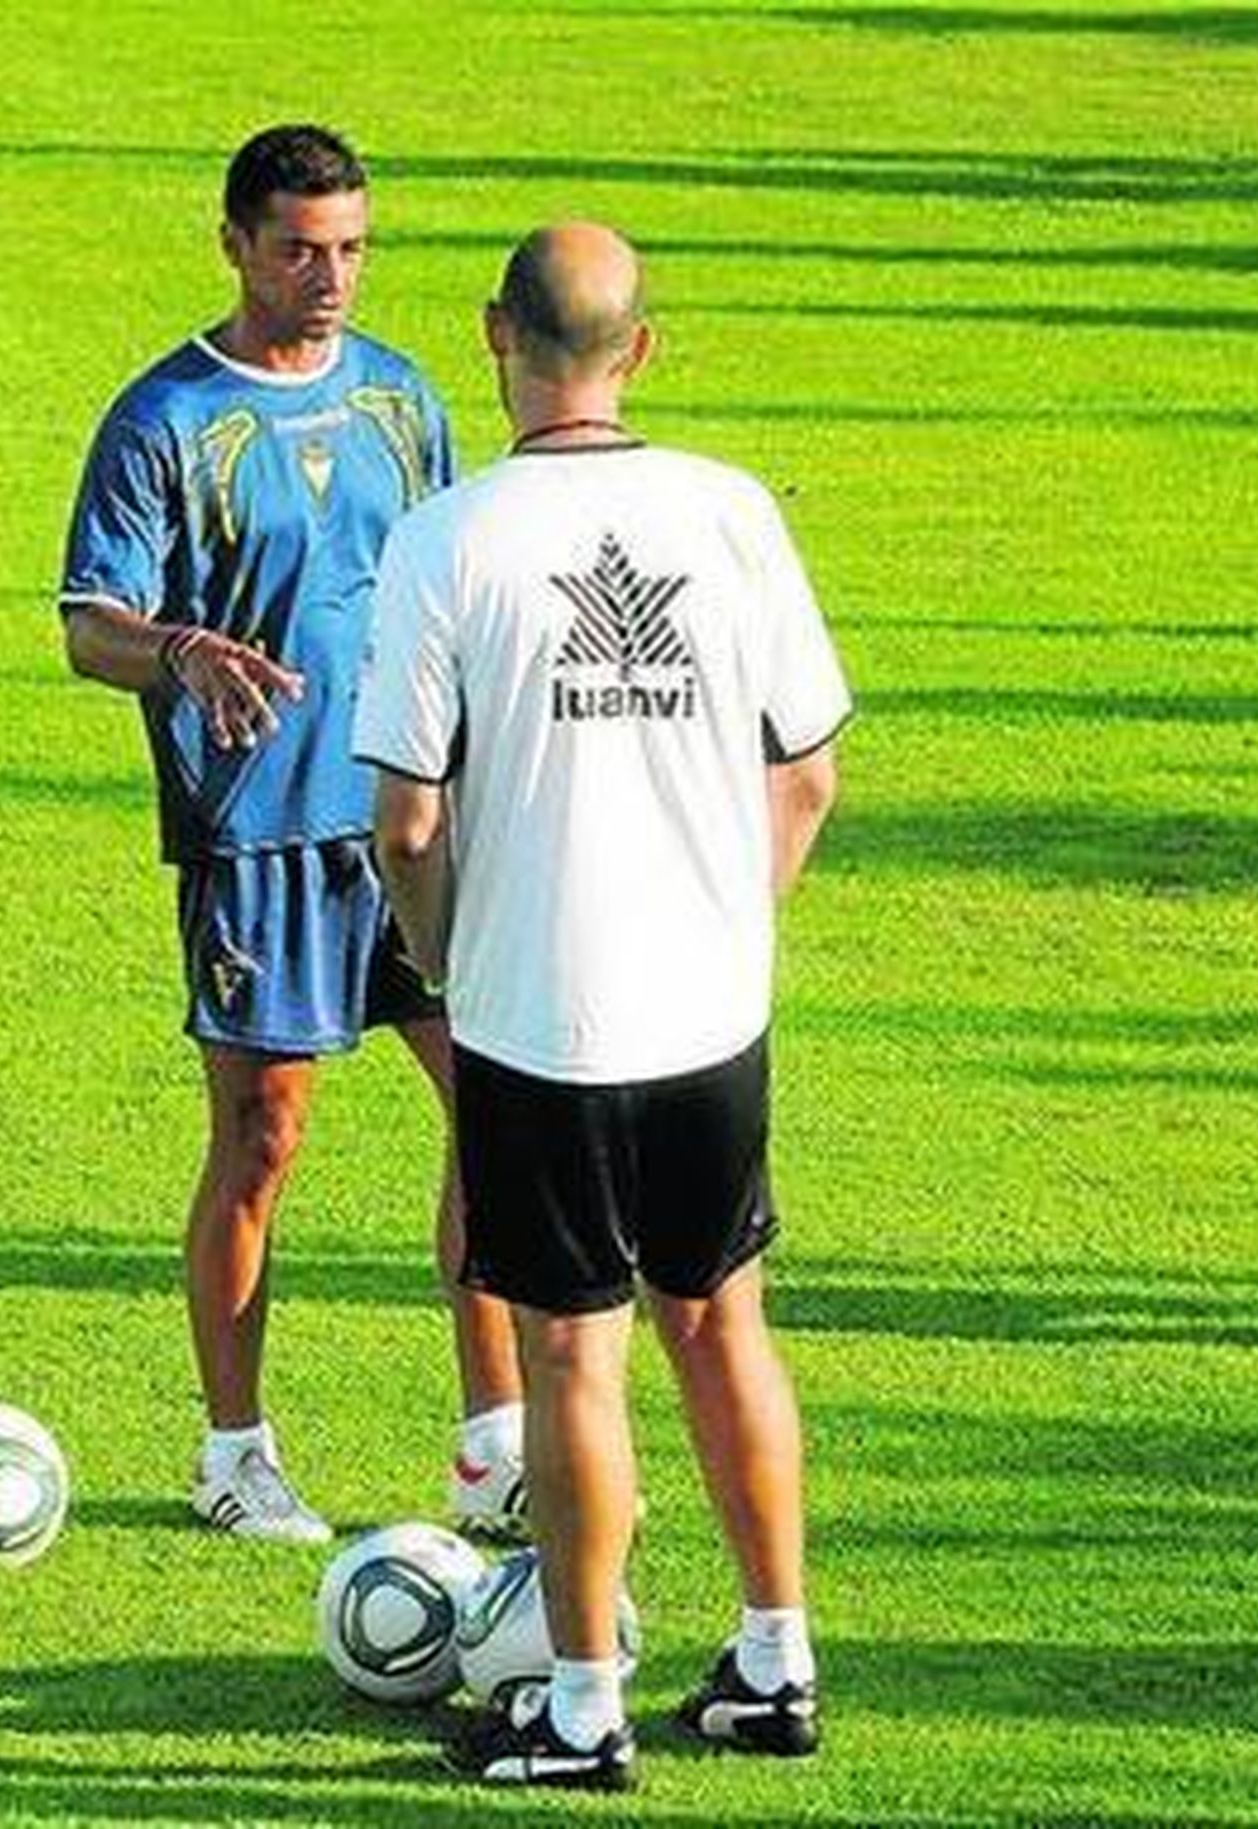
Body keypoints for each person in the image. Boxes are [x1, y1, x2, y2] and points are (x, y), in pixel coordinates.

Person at [353, 222, 850, 1789]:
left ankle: (579, 1702)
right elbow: (812, 770)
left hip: (539, 1018)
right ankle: (777, 1657)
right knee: (723, 1321)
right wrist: (726, 921)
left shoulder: (449, 539)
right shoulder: (733, 512)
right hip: (713, 1015)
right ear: (643, 348)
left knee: (574, 1358)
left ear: (495, 335)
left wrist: (443, 954)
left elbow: (408, 822)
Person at [57, 124, 523, 1545]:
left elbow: (454, 582)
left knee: (500, 1116)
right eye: (301, 250)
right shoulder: (164, 420)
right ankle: (234, 1450)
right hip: (257, 835)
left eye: (353, 249)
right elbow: (90, 627)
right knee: (262, 1140)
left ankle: (495, 1443)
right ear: (235, 244)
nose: (331, 278)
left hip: (413, 818)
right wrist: (181, 647)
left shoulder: (401, 398)